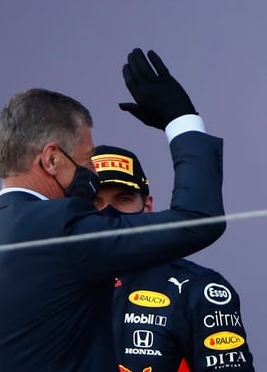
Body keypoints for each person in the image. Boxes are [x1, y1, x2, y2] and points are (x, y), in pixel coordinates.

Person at [0, 48, 227, 371]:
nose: (93, 174)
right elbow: (197, 219)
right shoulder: (60, 227)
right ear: (51, 159)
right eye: (87, 160)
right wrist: (181, 120)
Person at [91, 144, 255, 372]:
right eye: (95, 202)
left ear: (148, 206)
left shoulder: (196, 289)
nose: (108, 212)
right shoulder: (52, 284)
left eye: (123, 199)